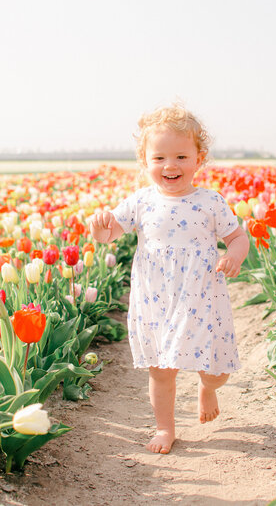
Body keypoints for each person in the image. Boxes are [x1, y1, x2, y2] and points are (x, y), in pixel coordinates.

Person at [89, 104, 249, 454]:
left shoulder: (210, 202)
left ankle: (208, 387)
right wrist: (100, 228)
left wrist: (234, 255)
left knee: (216, 370)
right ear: (144, 161)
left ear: (199, 158)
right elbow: (109, 234)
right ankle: (165, 428)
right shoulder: (141, 201)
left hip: (200, 296)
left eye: (180, 156)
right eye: (159, 157)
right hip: (156, 298)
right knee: (162, 370)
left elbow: (238, 237)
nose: (170, 165)